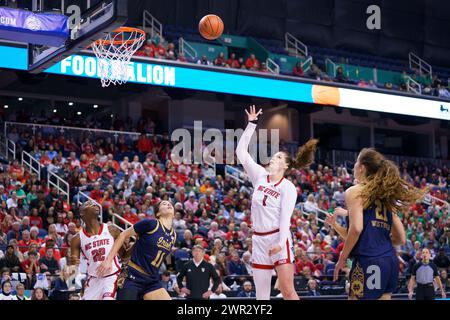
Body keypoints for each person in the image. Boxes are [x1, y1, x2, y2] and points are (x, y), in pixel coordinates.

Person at [236, 105, 319, 300]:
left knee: (287, 291)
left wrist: (281, 243)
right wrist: (251, 124)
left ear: (286, 165)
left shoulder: (287, 187)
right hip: (258, 240)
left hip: (277, 238)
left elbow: (285, 220)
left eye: (279, 157)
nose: (274, 158)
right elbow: (241, 152)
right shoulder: (259, 176)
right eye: (274, 156)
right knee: (261, 296)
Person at [329, 148, 426, 300]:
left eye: (356, 162)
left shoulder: (355, 191)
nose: (354, 166)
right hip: (390, 261)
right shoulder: (386, 197)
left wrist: (342, 258)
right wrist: (379, 241)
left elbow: (357, 229)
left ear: (362, 167)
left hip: (368, 261)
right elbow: (401, 238)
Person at [98, 200, 176, 300]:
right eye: (164, 204)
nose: (168, 204)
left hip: (152, 280)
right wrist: (108, 259)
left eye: (170, 204)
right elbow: (123, 234)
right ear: (158, 213)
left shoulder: (173, 235)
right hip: (133, 276)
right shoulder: (151, 224)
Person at [70, 201, 125, 300]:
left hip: (112, 276)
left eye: (95, 203)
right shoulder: (77, 239)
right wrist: (73, 263)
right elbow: (73, 265)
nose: (95, 205)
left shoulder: (111, 229)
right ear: (82, 213)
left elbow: (124, 255)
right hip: (94, 279)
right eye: (89, 204)